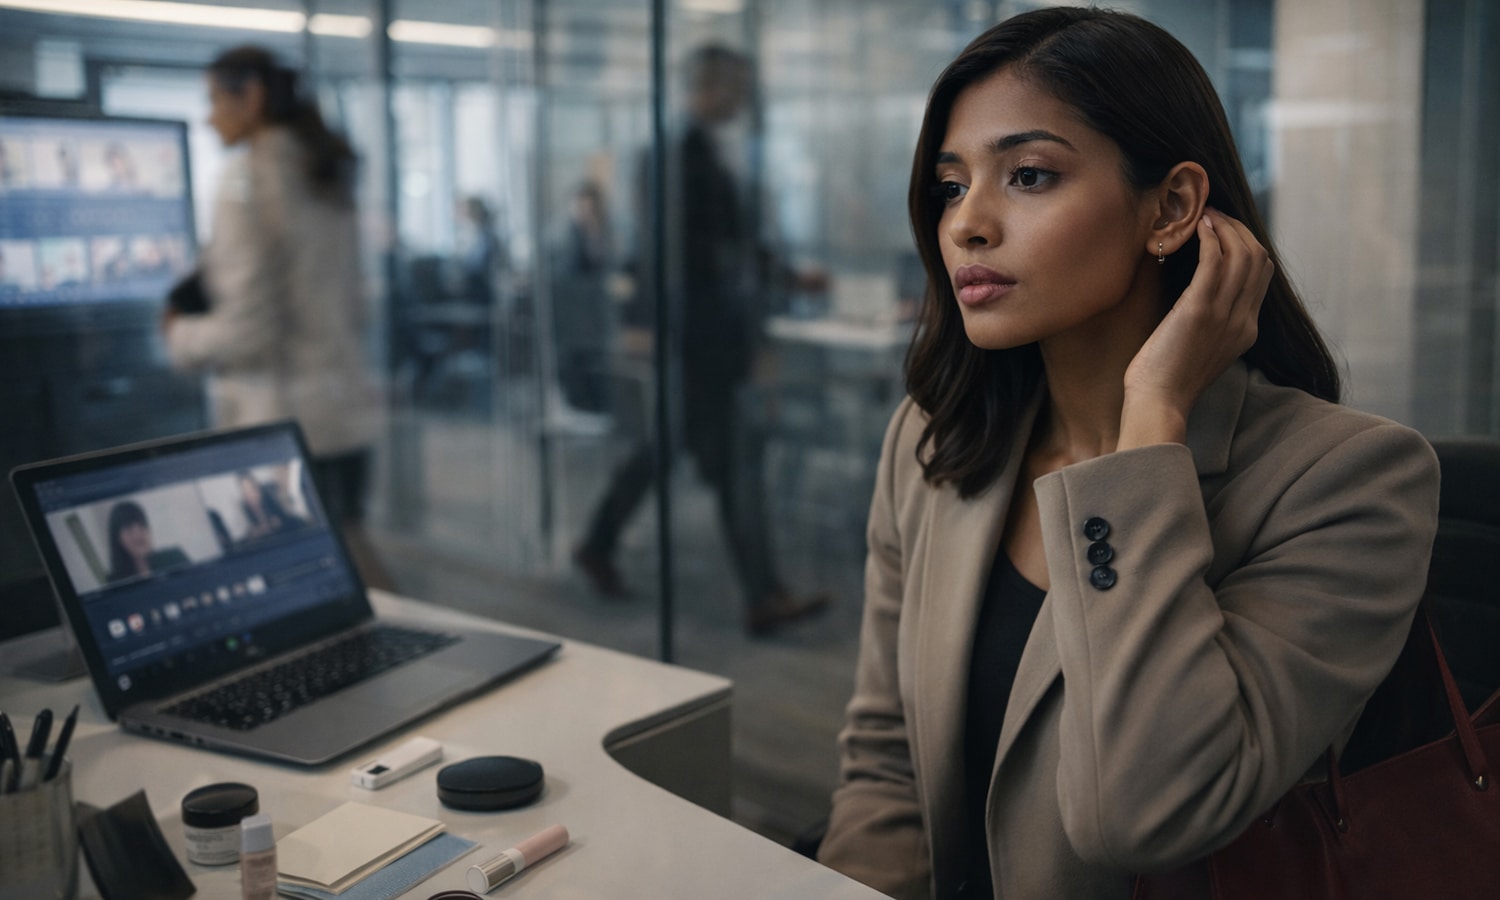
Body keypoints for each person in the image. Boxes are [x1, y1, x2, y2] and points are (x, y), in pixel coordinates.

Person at [815, 8, 1441, 900]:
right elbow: (886, 763)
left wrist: (1152, 419)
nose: (967, 226)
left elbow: (1144, 812)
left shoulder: (1349, 481)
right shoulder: (935, 438)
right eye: (952, 187)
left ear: (1173, 207)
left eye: (1028, 175)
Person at [571, 44, 830, 637]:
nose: (741, 100)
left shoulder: (704, 153)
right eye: (734, 86)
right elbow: (687, 254)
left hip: (704, 335)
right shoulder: (675, 157)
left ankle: (600, 543)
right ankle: (761, 594)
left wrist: (784, 277)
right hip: (699, 338)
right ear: (708, 87)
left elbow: (727, 244)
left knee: (678, 451)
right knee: (732, 461)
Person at [163, 45, 390, 589]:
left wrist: (181, 335)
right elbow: (353, 303)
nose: (209, 115)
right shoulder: (325, 174)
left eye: (215, 98)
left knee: (309, 587)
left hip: (282, 411)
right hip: (340, 405)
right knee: (352, 562)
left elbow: (249, 326)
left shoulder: (249, 179)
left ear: (254, 97)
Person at [105, 500, 189, 582]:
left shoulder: (175, 558)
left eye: (142, 525)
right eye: (129, 529)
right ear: (118, 538)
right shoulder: (116, 582)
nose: (137, 535)